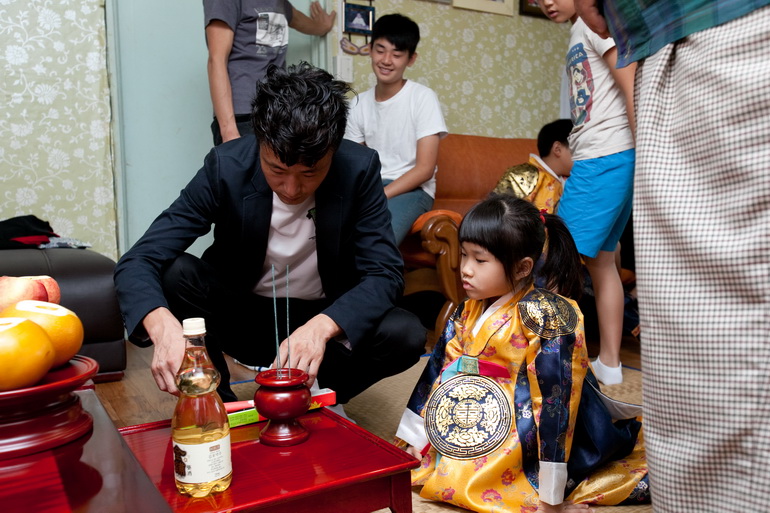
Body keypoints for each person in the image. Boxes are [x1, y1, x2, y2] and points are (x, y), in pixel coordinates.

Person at [114, 63, 427, 404]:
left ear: (334, 150)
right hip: (243, 317)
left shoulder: (358, 169)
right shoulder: (226, 166)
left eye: (310, 173)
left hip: (321, 317)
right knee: (177, 273)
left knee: (404, 333)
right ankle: (217, 401)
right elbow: (139, 259)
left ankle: (319, 398)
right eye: (277, 169)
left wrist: (323, 326)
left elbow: (384, 274)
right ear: (260, 142)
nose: (291, 189)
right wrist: (162, 326)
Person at [573, 1, 770, 511]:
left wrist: (648, 152)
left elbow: (616, 56)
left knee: (711, 346)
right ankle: (604, 366)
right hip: (703, 50)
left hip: (713, 49)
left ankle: (583, 375)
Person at [394, 195, 649, 513]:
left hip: (533, 420)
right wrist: (416, 438)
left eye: (480, 260)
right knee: (432, 468)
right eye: (464, 255)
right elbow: (437, 369)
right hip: (477, 409)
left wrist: (551, 498)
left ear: (522, 267)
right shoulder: (467, 309)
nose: (466, 269)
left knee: (486, 486)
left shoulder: (548, 316)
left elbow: (557, 402)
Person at [538, 0, 636, 386]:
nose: (546, 2)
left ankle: (543, 361)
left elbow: (628, 76)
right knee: (602, 262)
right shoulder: (580, 29)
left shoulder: (595, 23)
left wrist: (644, 146)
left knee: (557, 257)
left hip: (604, 156)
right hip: (609, 156)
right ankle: (609, 364)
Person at [344, 13, 448, 246]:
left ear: (411, 59)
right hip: (371, 189)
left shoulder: (422, 98)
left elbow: (424, 169)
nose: (386, 60)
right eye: (380, 50)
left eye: (397, 54)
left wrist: (380, 196)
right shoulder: (358, 104)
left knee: (377, 240)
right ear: (370, 50)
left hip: (413, 190)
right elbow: (355, 166)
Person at [204, 0, 336, 145]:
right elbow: (216, 60)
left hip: (278, 112)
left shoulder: (280, 3)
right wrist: (229, 133)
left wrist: (323, 27)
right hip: (243, 116)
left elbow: (301, 21)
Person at [493, 118, 574, 213]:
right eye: (578, 149)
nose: (584, 156)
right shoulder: (523, 175)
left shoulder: (573, 180)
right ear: (557, 149)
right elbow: (497, 214)